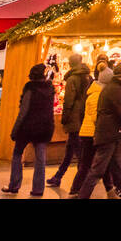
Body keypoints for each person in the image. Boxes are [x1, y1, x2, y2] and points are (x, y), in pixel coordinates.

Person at [73, 62, 121, 199]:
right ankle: (82, 196)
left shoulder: (111, 88)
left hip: (110, 134)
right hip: (108, 135)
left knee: (117, 167)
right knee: (97, 170)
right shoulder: (115, 90)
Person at [2, 63, 56, 196]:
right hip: (44, 127)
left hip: (28, 127)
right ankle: (38, 189)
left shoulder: (30, 88)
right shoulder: (50, 88)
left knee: (17, 154)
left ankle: (14, 185)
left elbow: (24, 111)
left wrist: (15, 129)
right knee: (40, 159)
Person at [70, 61, 113, 197]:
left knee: (101, 165)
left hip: (91, 133)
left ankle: (110, 190)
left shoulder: (96, 92)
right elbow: (96, 117)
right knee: (87, 165)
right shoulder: (97, 95)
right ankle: (75, 190)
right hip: (91, 134)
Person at [47, 54, 90, 188]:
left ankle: (81, 179)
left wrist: (65, 117)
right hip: (82, 116)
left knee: (77, 151)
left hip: (74, 117)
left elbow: (69, 101)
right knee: (71, 149)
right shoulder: (86, 77)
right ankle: (58, 176)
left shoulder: (72, 79)